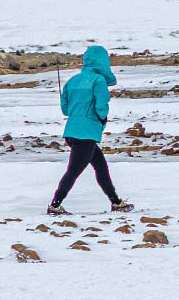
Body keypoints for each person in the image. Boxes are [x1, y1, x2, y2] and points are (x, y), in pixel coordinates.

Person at [48, 44, 132, 215]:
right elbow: (102, 105)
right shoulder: (98, 81)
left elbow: (65, 109)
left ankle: (116, 202)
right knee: (73, 171)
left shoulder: (72, 81)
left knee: (100, 167)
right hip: (86, 133)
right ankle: (55, 205)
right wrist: (102, 119)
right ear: (101, 61)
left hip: (72, 131)